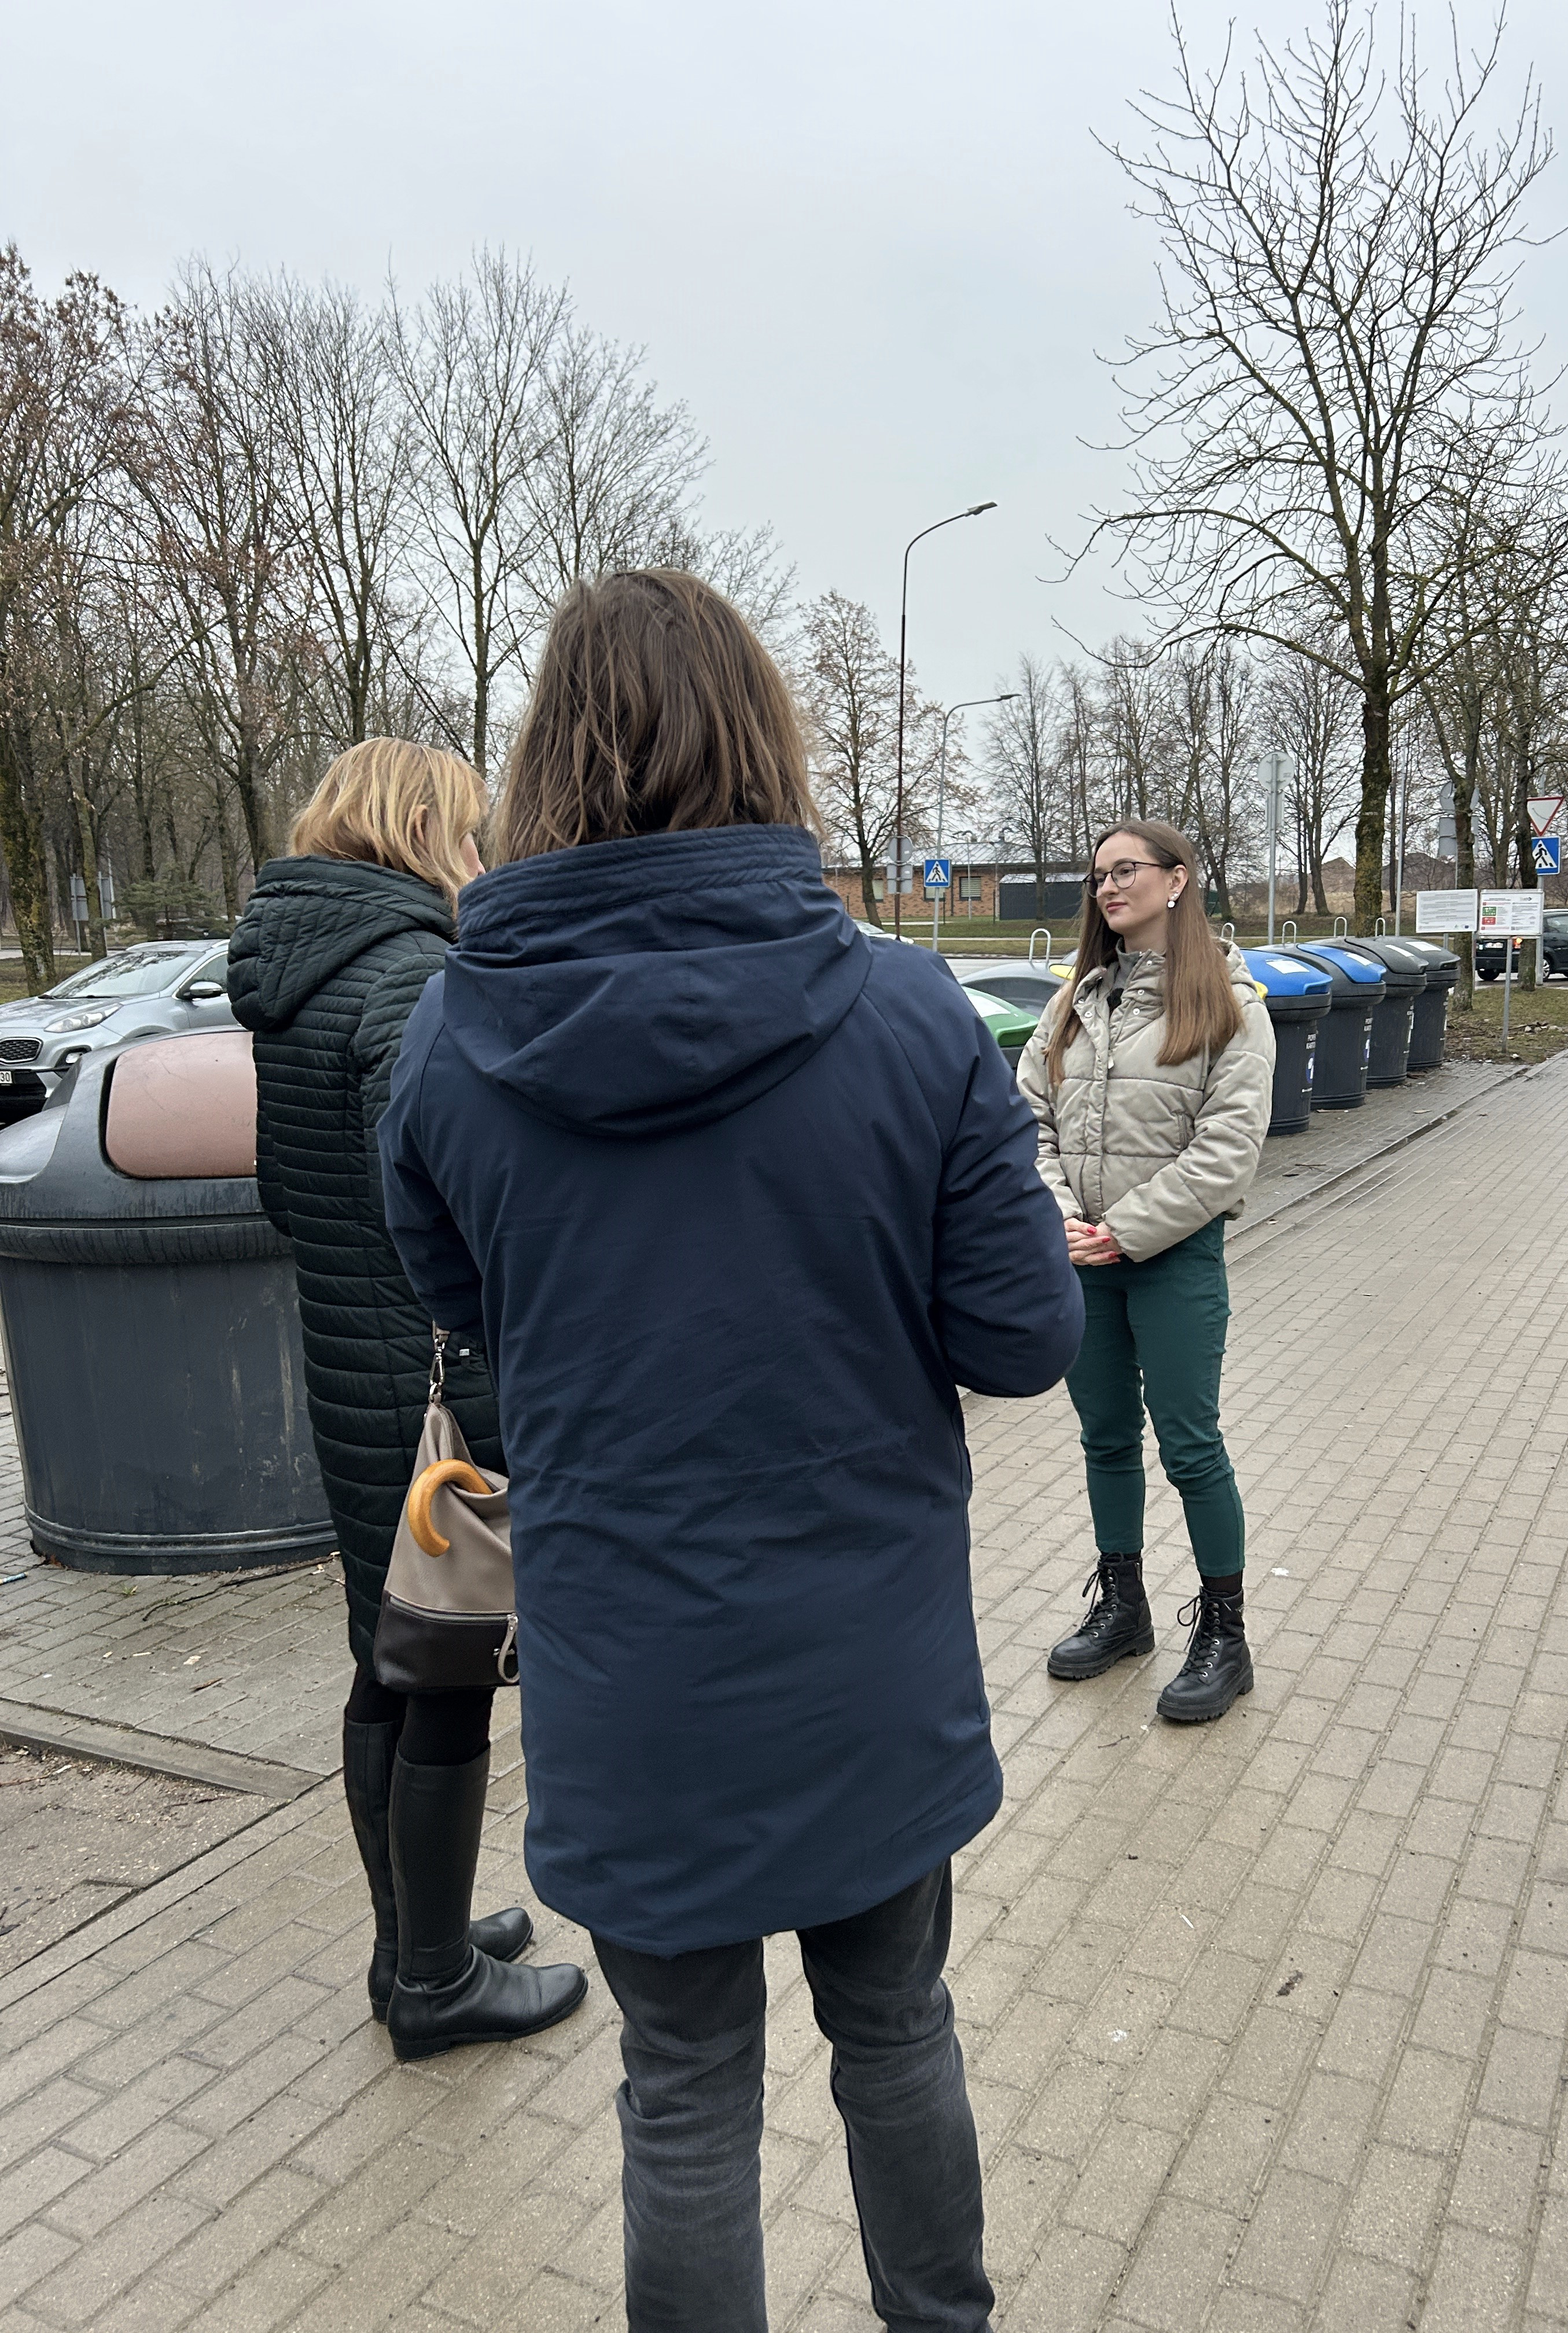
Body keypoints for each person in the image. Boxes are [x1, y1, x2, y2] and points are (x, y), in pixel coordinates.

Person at [377, 571, 1083, 2332]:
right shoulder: (914, 1017)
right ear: (767, 740)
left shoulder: (446, 1056)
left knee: (682, 2098)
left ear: (547, 762)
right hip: (864, 1665)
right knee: (898, 2033)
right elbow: (1026, 1336)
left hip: (633, 1675)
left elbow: (481, 1321)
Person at [227, 739, 587, 2060]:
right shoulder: (414, 977)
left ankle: (410, 1946)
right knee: (446, 1677)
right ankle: (434, 1987)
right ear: (426, 826)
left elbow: (283, 1193)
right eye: (474, 831)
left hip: (346, 1369)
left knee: (385, 1666)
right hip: (438, 1388)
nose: (484, 856)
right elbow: (448, 1202)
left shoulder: (291, 981)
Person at [1017, 820, 1273, 1723]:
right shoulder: (1074, 1003)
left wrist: (1124, 1230)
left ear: (1178, 881)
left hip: (1171, 1261)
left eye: (1126, 871)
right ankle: (1124, 1609)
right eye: (1098, 877)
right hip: (1083, 1259)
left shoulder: (1230, 1003)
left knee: (1192, 1447)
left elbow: (1227, 1152)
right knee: (1104, 1440)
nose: (1108, 888)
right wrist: (1061, 1220)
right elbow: (1029, 1121)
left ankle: (1225, 1637)